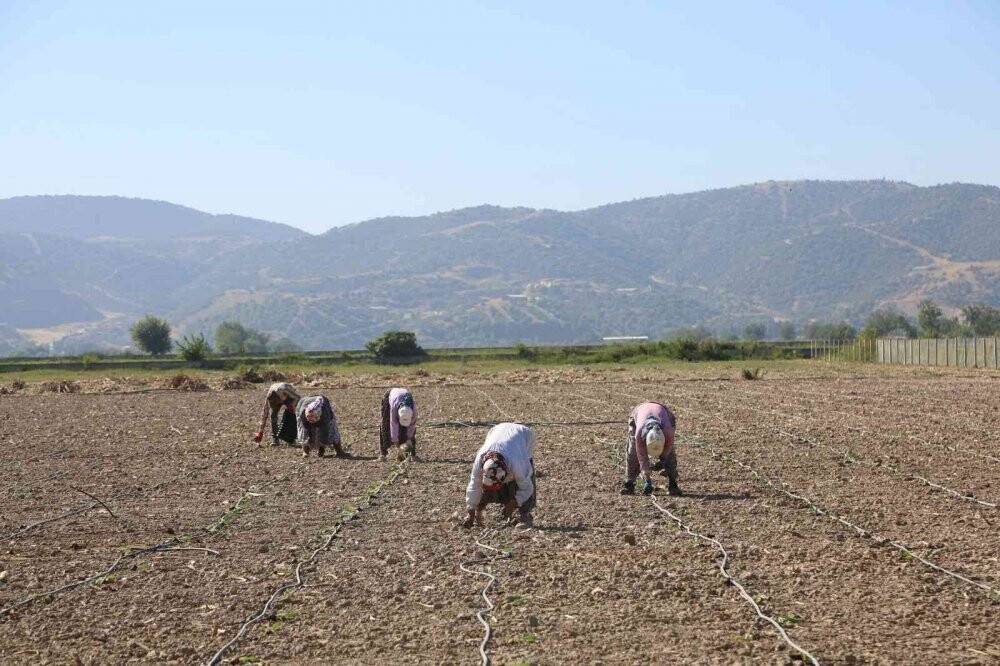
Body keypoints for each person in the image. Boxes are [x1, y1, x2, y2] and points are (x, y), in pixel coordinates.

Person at [463, 422, 536, 529]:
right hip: (497, 429)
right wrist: (471, 511)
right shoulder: (480, 460)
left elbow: (527, 488)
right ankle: (501, 505)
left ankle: (525, 515)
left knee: (523, 480)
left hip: (523, 435)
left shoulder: (518, 464)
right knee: (488, 488)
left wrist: (514, 503)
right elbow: (474, 486)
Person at [622, 401, 681, 496]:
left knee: (670, 455)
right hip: (639, 411)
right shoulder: (639, 434)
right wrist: (647, 480)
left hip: (665, 413)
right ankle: (629, 484)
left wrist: (663, 459)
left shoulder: (668, 432)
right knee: (633, 452)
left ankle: (673, 484)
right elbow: (642, 457)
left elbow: (668, 448)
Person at [253, 382, 301, 446]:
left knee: (291, 415)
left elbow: (298, 397)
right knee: (273, 416)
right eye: (273, 404)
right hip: (278, 395)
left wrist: (292, 406)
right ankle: (275, 439)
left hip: (287, 393)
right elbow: (264, 415)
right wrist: (260, 432)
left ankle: (291, 439)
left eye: (275, 403)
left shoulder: (284, 390)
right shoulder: (269, 400)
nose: (275, 405)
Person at [379, 387, 417, 461]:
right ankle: (384, 454)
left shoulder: (414, 411)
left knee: (407, 432)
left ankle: (412, 455)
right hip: (391, 396)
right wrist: (396, 444)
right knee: (385, 426)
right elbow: (393, 425)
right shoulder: (394, 408)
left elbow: (412, 426)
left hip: (401, 396)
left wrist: (409, 438)